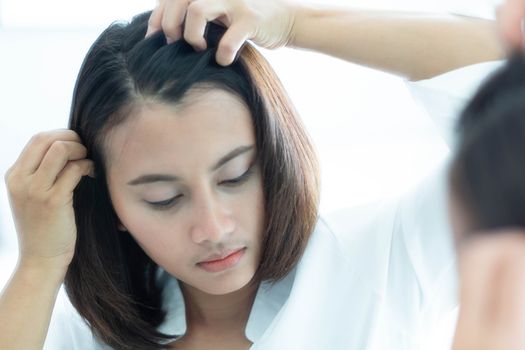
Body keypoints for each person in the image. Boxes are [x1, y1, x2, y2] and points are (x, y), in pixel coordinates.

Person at [0, 1, 505, 349]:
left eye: (237, 174)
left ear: (275, 155)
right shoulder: (86, 334)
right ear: (111, 209)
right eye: (163, 198)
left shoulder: (380, 263)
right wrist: (39, 265)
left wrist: (293, 21)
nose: (214, 228)